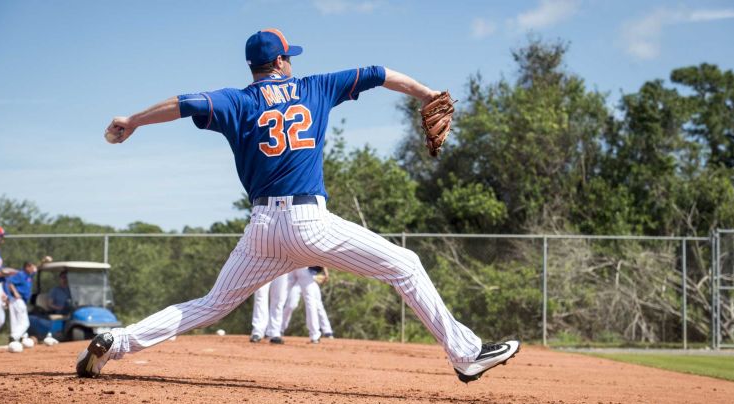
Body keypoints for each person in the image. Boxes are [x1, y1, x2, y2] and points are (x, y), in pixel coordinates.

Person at [77, 28, 519, 383]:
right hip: (310, 222)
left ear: (255, 68)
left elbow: (183, 103)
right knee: (405, 265)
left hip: (263, 229)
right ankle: (466, 354)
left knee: (211, 305)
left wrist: (133, 120)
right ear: (284, 62)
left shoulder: (236, 99)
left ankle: (116, 342)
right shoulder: (316, 86)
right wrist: (425, 95)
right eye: (291, 56)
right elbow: (380, 72)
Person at [272, 267, 334, 343]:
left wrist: (324, 271)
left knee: (312, 301)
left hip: (304, 269)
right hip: (290, 267)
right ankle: (275, 332)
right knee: (285, 301)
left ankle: (316, 334)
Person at [6, 262, 37, 345]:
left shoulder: (29, 275)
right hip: (18, 300)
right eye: (32, 267)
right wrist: (15, 292)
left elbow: (36, 269)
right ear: (27, 267)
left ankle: (15, 341)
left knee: (16, 322)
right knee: (25, 323)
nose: (33, 269)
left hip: (19, 301)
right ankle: (14, 337)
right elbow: (9, 282)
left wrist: (44, 261)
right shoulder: (21, 274)